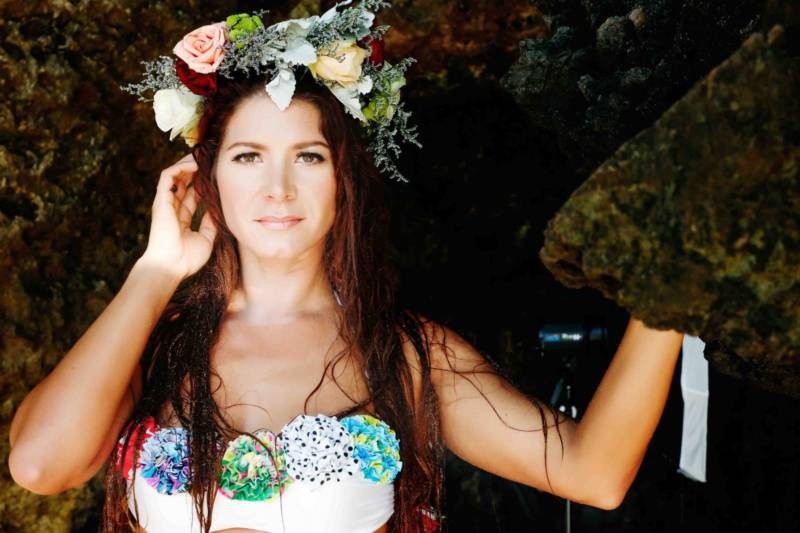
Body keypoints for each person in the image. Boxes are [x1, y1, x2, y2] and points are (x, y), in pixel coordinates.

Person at [7, 2, 685, 533]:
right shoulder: (153, 347)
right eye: (247, 156)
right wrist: (157, 270)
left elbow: (592, 472)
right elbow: (39, 466)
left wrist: (680, 277)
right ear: (207, 176)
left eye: (308, 156)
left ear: (344, 181)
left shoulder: (405, 352)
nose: (278, 188)